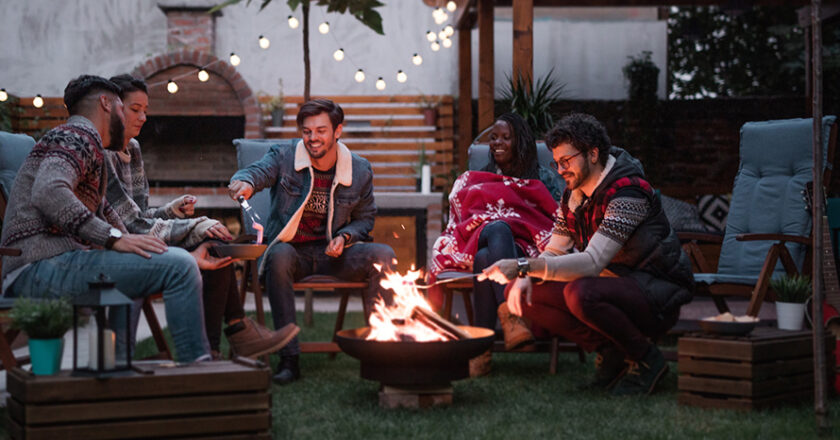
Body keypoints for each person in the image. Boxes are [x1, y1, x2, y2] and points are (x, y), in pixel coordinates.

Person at [0, 75, 211, 363]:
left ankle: (115, 373)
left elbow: (118, 226)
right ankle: (198, 377)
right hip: (38, 268)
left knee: (168, 265)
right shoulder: (76, 136)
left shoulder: (90, 148)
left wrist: (169, 253)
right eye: (125, 110)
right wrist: (113, 239)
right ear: (106, 104)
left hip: (47, 266)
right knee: (179, 268)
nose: (130, 118)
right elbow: (49, 191)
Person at [480, 113, 694, 396]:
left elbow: (593, 262)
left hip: (655, 291)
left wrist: (523, 265)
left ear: (593, 154)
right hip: (612, 285)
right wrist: (524, 276)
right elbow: (555, 250)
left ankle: (647, 359)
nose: (559, 170)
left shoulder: (629, 192)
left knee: (580, 293)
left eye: (566, 162)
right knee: (524, 295)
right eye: (556, 163)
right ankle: (612, 353)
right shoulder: (573, 195)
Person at [104, 74, 299, 359]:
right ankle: (227, 337)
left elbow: (140, 213)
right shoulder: (104, 152)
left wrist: (172, 211)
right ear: (115, 108)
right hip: (120, 246)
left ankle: (222, 341)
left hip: (141, 239)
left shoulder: (132, 149)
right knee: (208, 235)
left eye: (146, 110)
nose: (144, 117)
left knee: (213, 239)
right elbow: (130, 224)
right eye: (136, 110)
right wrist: (194, 225)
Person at [229, 99, 396, 384]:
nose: (313, 138)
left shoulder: (359, 170)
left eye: (321, 130)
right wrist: (244, 181)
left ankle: (383, 352)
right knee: (278, 255)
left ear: (337, 131)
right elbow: (257, 172)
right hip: (294, 252)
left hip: (336, 254)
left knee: (383, 253)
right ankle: (289, 358)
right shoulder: (283, 156)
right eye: (307, 131)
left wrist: (345, 237)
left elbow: (365, 220)